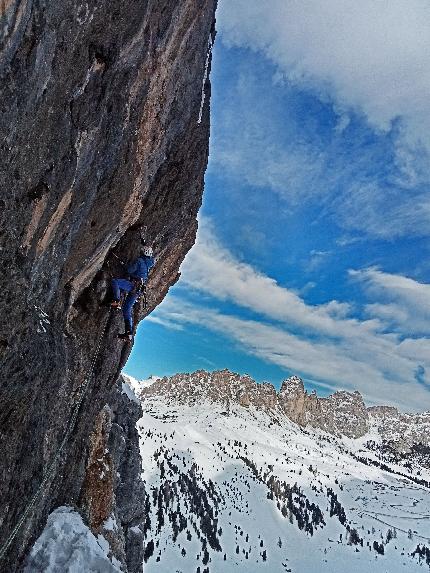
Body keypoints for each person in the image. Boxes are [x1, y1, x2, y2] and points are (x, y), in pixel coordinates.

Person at [111, 245, 155, 340]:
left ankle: (116, 301)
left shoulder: (139, 261)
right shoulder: (149, 263)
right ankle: (129, 333)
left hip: (133, 285)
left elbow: (129, 270)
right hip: (139, 290)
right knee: (127, 308)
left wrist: (125, 265)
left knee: (116, 282)